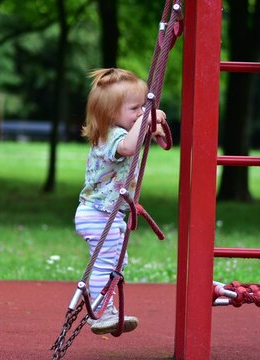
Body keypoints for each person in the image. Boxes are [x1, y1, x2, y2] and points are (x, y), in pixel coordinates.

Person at [75, 68, 166, 335]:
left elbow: (135, 141)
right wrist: (148, 116)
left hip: (108, 214)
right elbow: (127, 147)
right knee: (106, 263)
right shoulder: (109, 135)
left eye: (143, 107)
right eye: (135, 108)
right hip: (97, 213)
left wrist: (150, 125)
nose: (140, 113)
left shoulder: (119, 133)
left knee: (116, 261)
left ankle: (106, 308)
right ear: (110, 114)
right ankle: (101, 312)